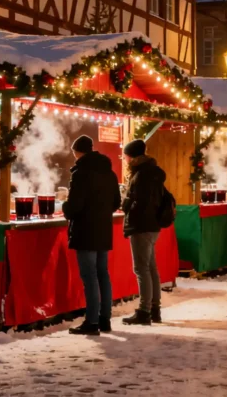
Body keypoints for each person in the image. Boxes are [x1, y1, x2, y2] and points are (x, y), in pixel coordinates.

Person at [62, 135, 121, 335]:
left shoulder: (81, 173)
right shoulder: (109, 172)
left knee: (90, 277)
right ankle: (105, 319)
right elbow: (116, 203)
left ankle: (92, 321)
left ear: (77, 152)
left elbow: (74, 207)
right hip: (103, 229)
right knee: (102, 274)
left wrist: (64, 206)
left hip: (85, 230)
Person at [121, 139, 166, 326]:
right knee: (151, 267)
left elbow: (138, 202)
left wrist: (126, 205)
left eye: (125, 156)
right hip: (153, 225)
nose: (124, 160)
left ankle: (145, 310)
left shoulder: (140, 175)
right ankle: (155, 308)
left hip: (141, 225)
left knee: (141, 269)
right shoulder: (154, 173)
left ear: (132, 157)